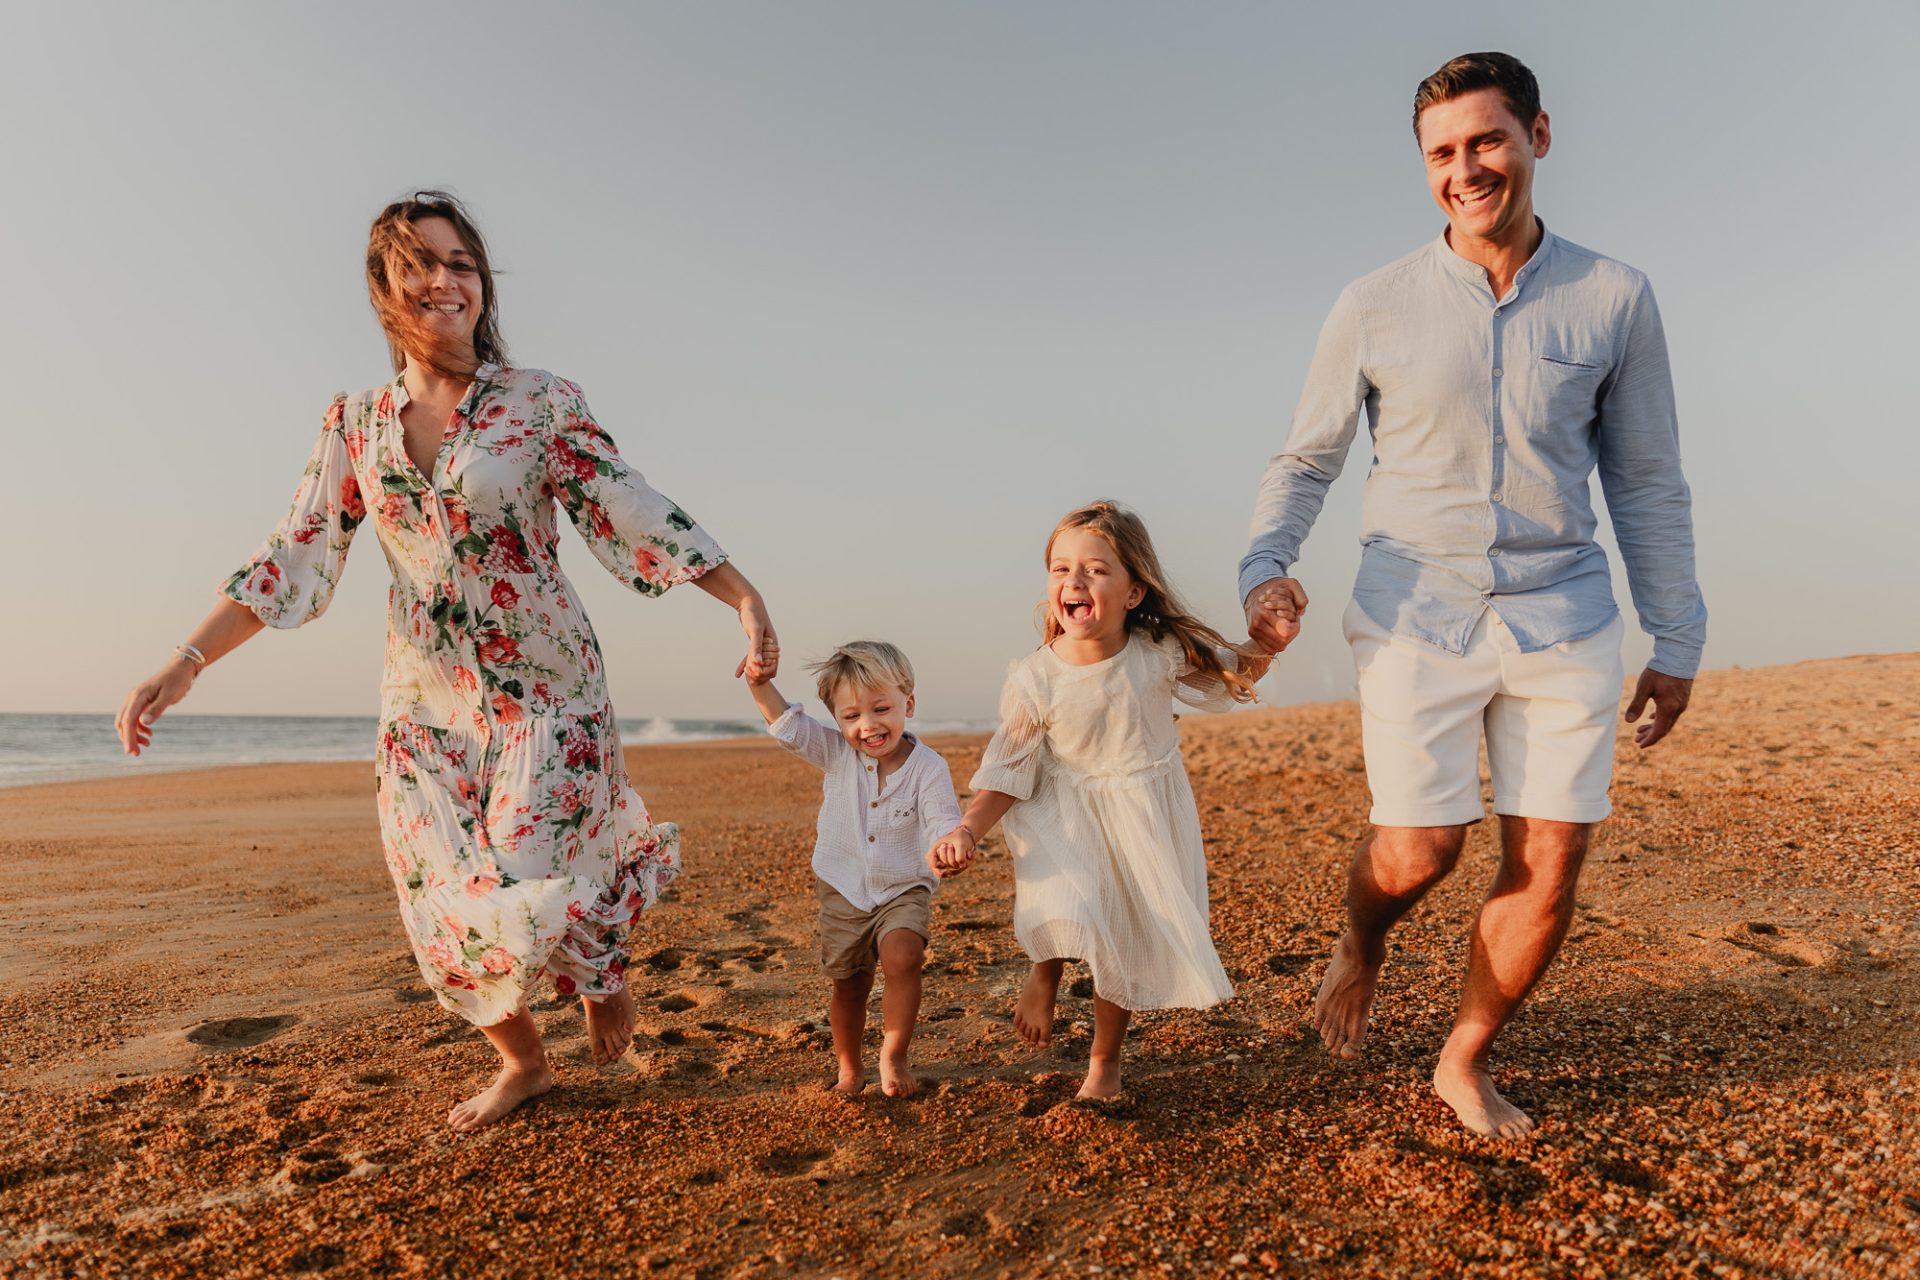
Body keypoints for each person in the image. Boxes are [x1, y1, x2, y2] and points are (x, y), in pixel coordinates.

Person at [114, 191, 780, 1132]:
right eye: (420, 265)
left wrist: (741, 595)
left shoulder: (540, 401)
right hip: (423, 706)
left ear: (482, 284)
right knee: (445, 905)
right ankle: (525, 1063)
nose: (443, 280)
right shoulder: (354, 424)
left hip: (549, 696)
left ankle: (596, 967)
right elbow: (292, 553)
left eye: (461, 263)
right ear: (385, 290)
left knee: (524, 872)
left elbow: (630, 505)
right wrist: (184, 662)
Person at [1239, 53, 1708, 1137]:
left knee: (1550, 856)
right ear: (1425, 167)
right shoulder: (1373, 303)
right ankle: (1362, 935)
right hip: (1415, 611)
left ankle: (1463, 1058)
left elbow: (1644, 477)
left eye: (1487, 141)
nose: (1467, 169)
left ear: (1538, 137)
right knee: (1420, 849)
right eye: (1443, 153)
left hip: (1565, 612)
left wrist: (1677, 633)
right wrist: (1266, 566)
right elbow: (1307, 459)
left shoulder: (1616, 297)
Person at [930, 501, 1276, 1100]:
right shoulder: (1035, 678)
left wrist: (1269, 640)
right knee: (1067, 902)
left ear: (1134, 591)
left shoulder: (1157, 655)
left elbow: (1230, 675)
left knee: (1118, 935)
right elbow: (1007, 771)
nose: (1074, 581)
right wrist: (966, 828)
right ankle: (1044, 972)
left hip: (1140, 813)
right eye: (1061, 569)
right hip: (1062, 809)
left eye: (1094, 569)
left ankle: (1104, 1063)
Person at [745, 641, 962, 1097]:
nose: (868, 726)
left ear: (909, 702)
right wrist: (759, 683)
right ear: (838, 719)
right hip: (843, 887)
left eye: (881, 708)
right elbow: (789, 727)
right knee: (849, 983)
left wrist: (951, 841)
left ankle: (894, 1055)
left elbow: (944, 818)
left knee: (904, 957)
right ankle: (848, 1067)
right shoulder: (837, 754)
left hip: (904, 886)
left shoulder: (928, 768)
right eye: (850, 717)